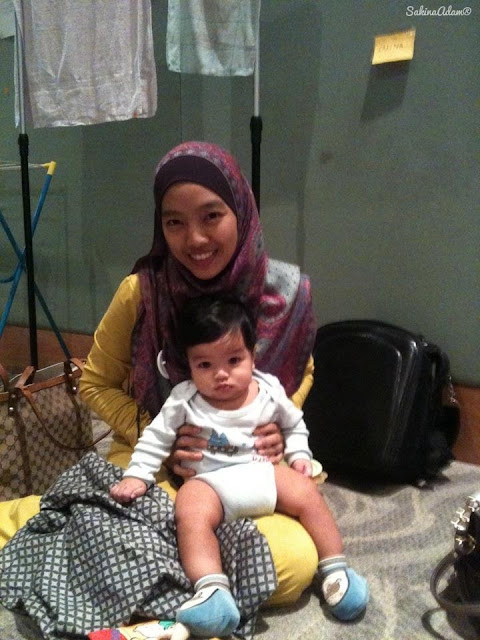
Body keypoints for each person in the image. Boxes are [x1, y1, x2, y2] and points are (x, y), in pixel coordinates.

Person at [0, 141, 313, 606]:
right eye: (174, 222)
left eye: (211, 216)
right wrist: (161, 436)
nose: (195, 239)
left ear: (241, 211)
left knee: (293, 564)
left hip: (251, 461)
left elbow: (303, 372)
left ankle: (149, 567)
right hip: (153, 460)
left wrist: (275, 431)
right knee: (122, 529)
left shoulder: (285, 291)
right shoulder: (142, 291)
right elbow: (95, 382)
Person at [111, 295, 369, 637]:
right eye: (204, 365)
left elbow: (294, 424)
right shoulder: (184, 399)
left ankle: (335, 569)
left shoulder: (269, 389)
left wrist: (299, 455)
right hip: (210, 482)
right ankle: (210, 588)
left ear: (253, 355)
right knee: (189, 510)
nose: (221, 375)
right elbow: (156, 438)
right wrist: (138, 475)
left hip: (263, 472)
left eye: (234, 360)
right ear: (188, 365)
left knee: (307, 493)